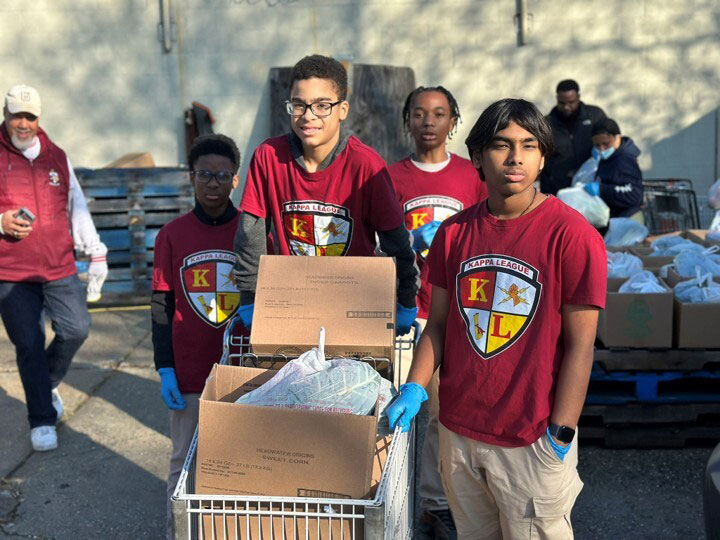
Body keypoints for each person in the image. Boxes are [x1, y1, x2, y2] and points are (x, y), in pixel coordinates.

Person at [387, 98, 607, 539]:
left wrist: (561, 433)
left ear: (543, 157)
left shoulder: (573, 236)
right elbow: (439, 325)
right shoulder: (454, 233)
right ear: (477, 157)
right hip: (460, 433)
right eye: (502, 145)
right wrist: (413, 386)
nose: (515, 158)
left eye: (529, 145)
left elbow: (581, 345)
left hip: (532, 437)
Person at [234, 54, 418, 333]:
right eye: (299, 105)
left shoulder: (366, 165)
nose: (308, 116)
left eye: (322, 106)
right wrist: (250, 297)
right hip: (291, 306)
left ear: (342, 109)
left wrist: (406, 298)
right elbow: (251, 234)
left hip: (353, 309)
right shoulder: (268, 157)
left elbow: (395, 239)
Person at [388, 85, 487, 539]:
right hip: (405, 312)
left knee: (442, 414)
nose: (429, 121)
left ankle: (434, 501)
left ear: (453, 121)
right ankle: (386, 502)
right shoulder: (390, 177)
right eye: (419, 113)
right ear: (407, 120)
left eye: (439, 113)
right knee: (393, 411)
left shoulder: (471, 175)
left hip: (453, 313)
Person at [0, 85, 108, 452]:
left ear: (39, 118)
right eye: (17, 115)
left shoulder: (56, 157)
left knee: (77, 328)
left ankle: (45, 382)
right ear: (5, 114)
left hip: (59, 264)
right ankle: (42, 418)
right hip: (12, 271)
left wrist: (95, 250)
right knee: (29, 343)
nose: (23, 123)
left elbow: (76, 205)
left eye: (30, 116)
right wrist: (1, 221)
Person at [151, 134, 244, 540]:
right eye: (205, 174)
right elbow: (161, 304)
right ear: (191, 177)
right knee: (183, 460)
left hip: (239, 369)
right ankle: (178, 532)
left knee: (236, 461)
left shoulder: (251, 232)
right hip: (188, 371)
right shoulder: (171, 235)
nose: (213, 184)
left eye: (222, 175)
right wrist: (164, 367)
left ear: (235, 180)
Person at [540, 79, 606, 195]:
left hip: (590, 187)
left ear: (578, 97)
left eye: (571, 102)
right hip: (557, 189)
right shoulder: (546, 124)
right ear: (557, 99)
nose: (566, 107)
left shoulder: (595, 116)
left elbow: (609, 142)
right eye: (562, 103)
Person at [583, 118, 644, 222]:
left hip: (627, 219)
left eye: (606, 144)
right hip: (614, 218)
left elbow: (635, 195)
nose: (601, 149)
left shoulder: (625, 160)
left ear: (617, 139)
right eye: (597, 145)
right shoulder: (607, 159)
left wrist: (602, 190)